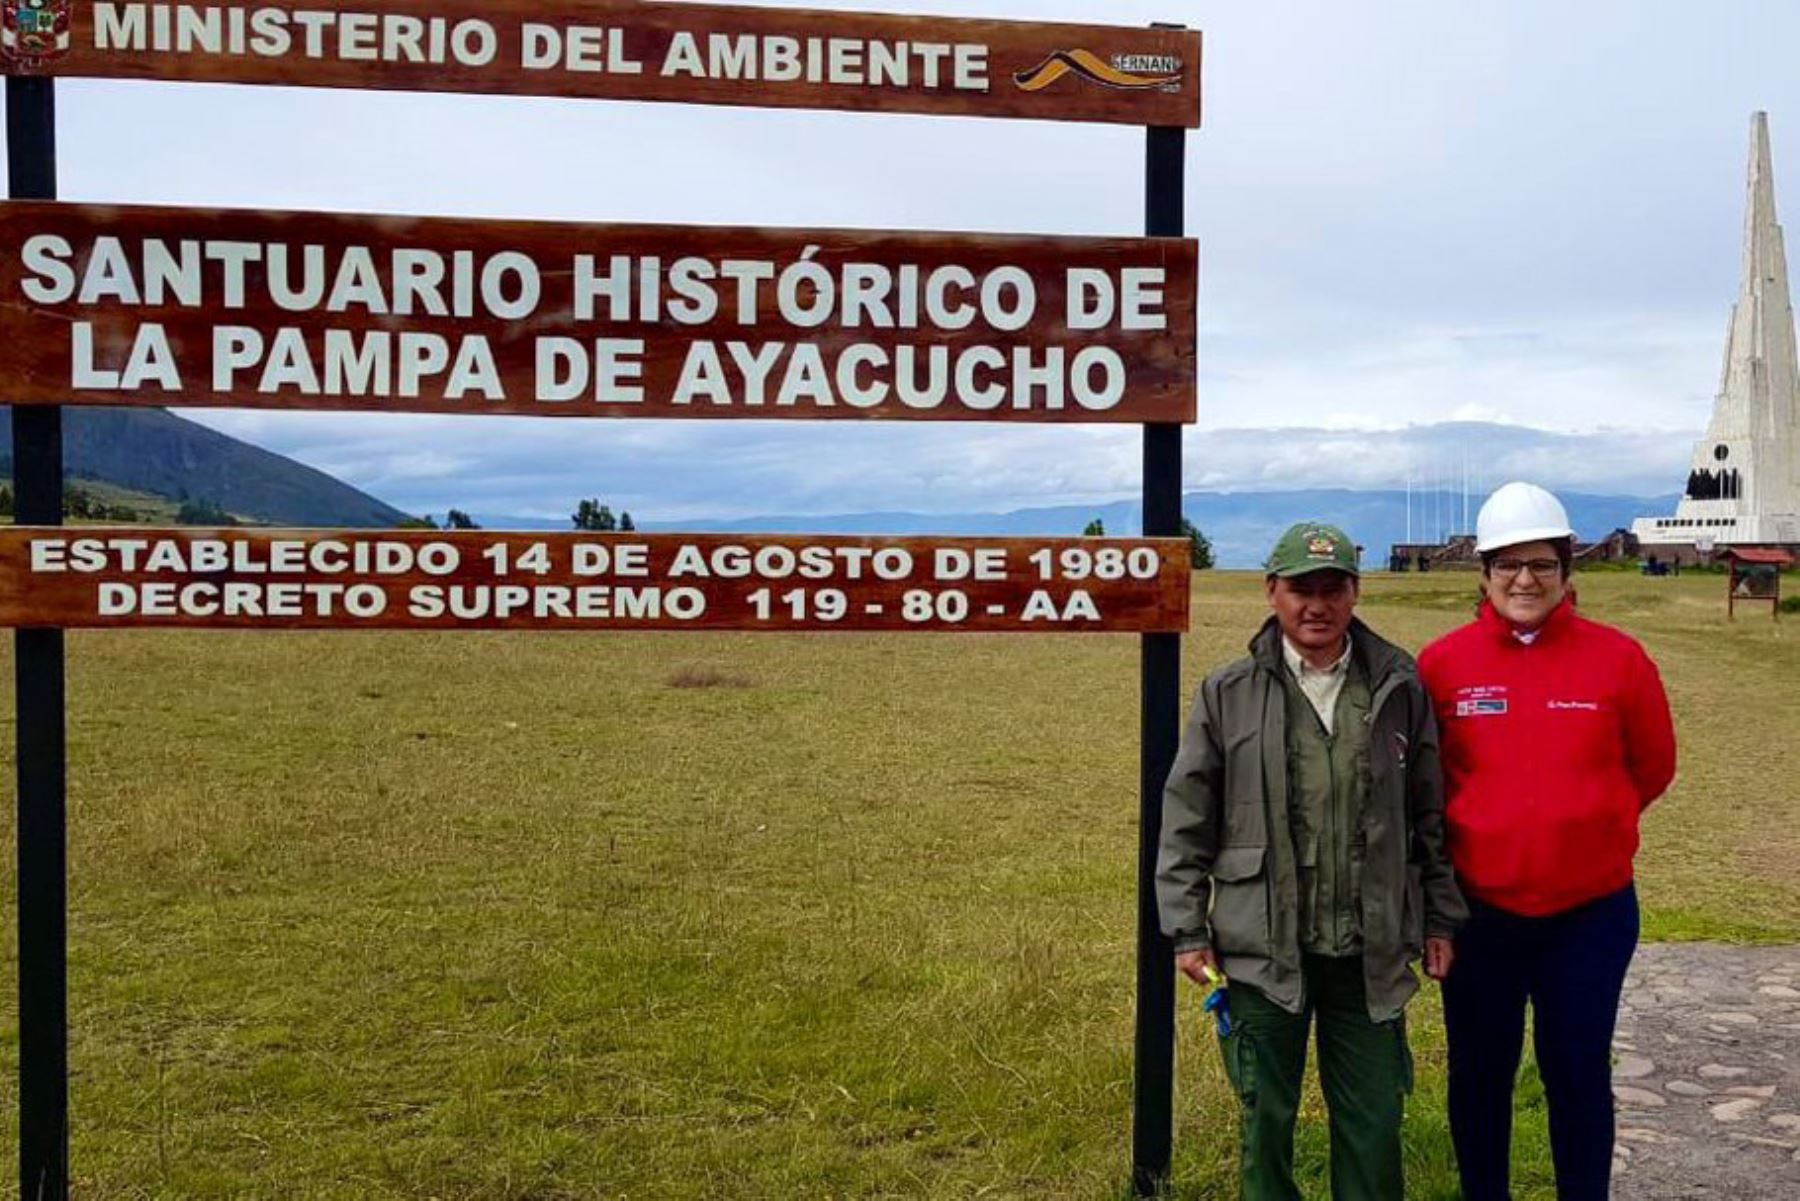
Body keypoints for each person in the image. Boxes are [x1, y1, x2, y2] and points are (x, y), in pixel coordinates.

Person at [1158, 522, 1466, 1201]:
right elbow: (1186, 817)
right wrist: (1187, 927)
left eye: (1333, 587)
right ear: (1272, 591)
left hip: (1370, 951)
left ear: (1356, 592)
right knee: (1264, 1123)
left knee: (1374, 1123)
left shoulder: (1398, 685)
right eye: (1301, 588)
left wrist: (1441, 916)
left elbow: (1428, 817)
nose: (1316, 604)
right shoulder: (1227, 692)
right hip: (1261, 951)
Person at [1418, 482, 1677, 1201]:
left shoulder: (1619, 660)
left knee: (1577, 1070)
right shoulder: (1441, 665)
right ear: (1484, 572)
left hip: (1588, 915)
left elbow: (1653, 764)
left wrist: (1585, 825)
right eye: (1508, 565)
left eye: (1541, 564)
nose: (1524, 580)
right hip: (1480, 915)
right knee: (1479, 1073)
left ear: (1568, 572)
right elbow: (1424, 786)